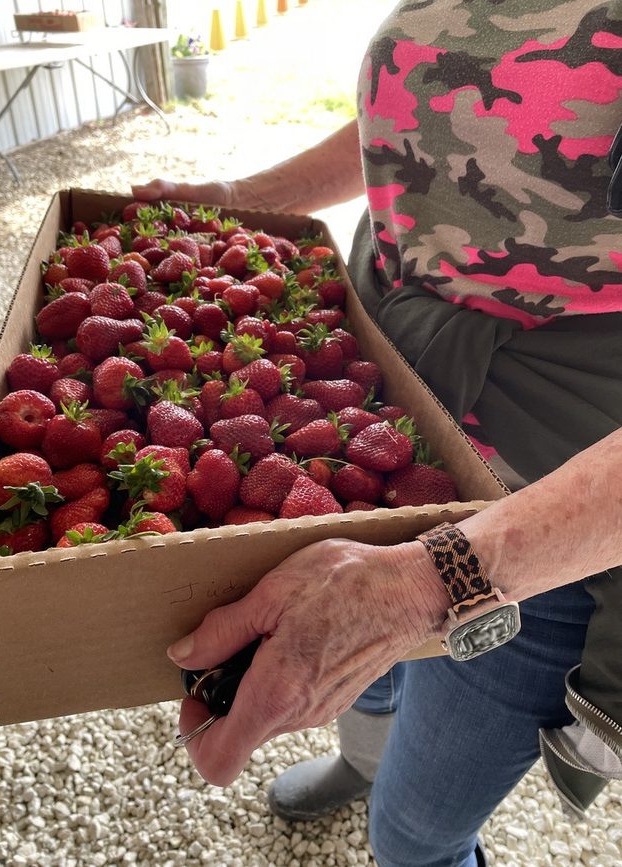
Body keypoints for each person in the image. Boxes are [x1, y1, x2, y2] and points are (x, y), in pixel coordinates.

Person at [133, 2, 622, 864]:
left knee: (415, 831)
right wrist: (245, 200)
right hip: (384, 387)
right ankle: (362, 759)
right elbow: (424, 114)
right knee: (358, 650)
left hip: (552, 509)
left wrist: (422, 585)